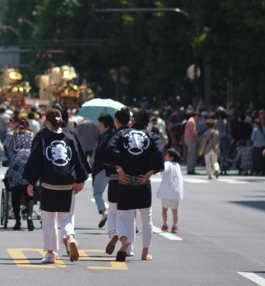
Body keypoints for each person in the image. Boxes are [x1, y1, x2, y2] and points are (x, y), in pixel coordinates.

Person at [24, 108, 88, 264]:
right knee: (65, 218)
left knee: (48, 219)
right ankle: (70, 237)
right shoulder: (70, 138)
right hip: (66, 184)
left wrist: (31, 182)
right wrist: (79, 180)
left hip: (49, 184)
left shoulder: (43, 139)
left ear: (47, 122)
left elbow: (35, 162)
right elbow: (78, 160)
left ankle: (51, 253)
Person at [108, 108, 164, 262]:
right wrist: (150, 172)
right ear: (147, 123)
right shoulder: (152, 136)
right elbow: (159, 152)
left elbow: (110, 148)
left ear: (133, 121)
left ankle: (125, 240)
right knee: (147, 217)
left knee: (122, 215)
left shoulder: (122, 134)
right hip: (142, 182)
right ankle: (145, 252)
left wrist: (119, 169)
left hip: (125, 180)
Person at [93, 108, 132, 254]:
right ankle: (129, 246)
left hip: (116, 179)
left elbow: (107, 156)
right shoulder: (135, 136)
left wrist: (118, 169)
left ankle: (115, 234)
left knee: (114, 212)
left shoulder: (114, 137)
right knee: (129, 215)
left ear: (116, 120)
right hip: (135, 179)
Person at [3, 115, 35, 231]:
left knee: (15, 194)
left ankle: (17, 221)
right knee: (30, 194)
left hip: (15, 168)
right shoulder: (32, 135)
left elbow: (6, 154)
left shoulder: (10, 135)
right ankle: (30, 218)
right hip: (30, 168)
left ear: (16, 123)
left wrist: (6, 163)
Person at [157, 148, 183, 233]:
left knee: (165, 208)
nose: (165, 157)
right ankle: (175, 225)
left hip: (167, 190)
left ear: (171, 157)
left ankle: (165, 224)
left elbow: (162, 169)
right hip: (176, 191)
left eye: (166, 155)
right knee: (175, 209)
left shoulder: (167, 164)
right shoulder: (177, 165)